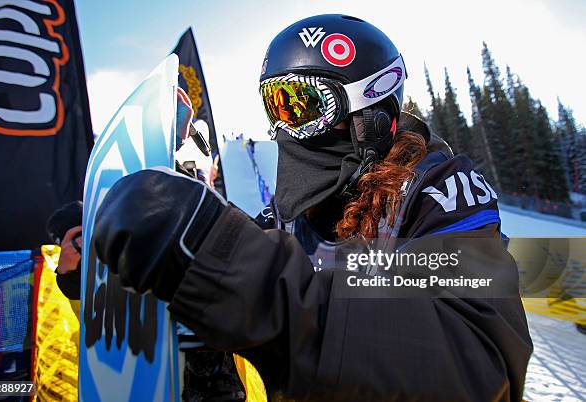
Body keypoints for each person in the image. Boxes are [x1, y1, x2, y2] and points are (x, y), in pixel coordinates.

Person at [93, 14, 533, 401]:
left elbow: (480, 363)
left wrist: (237, 275)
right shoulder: (292, 215)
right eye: (276, 106)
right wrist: (138, 258)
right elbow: (242, 255)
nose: (287, 127)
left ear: (370, 110)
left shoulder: (437, 194)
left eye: (302, 105)